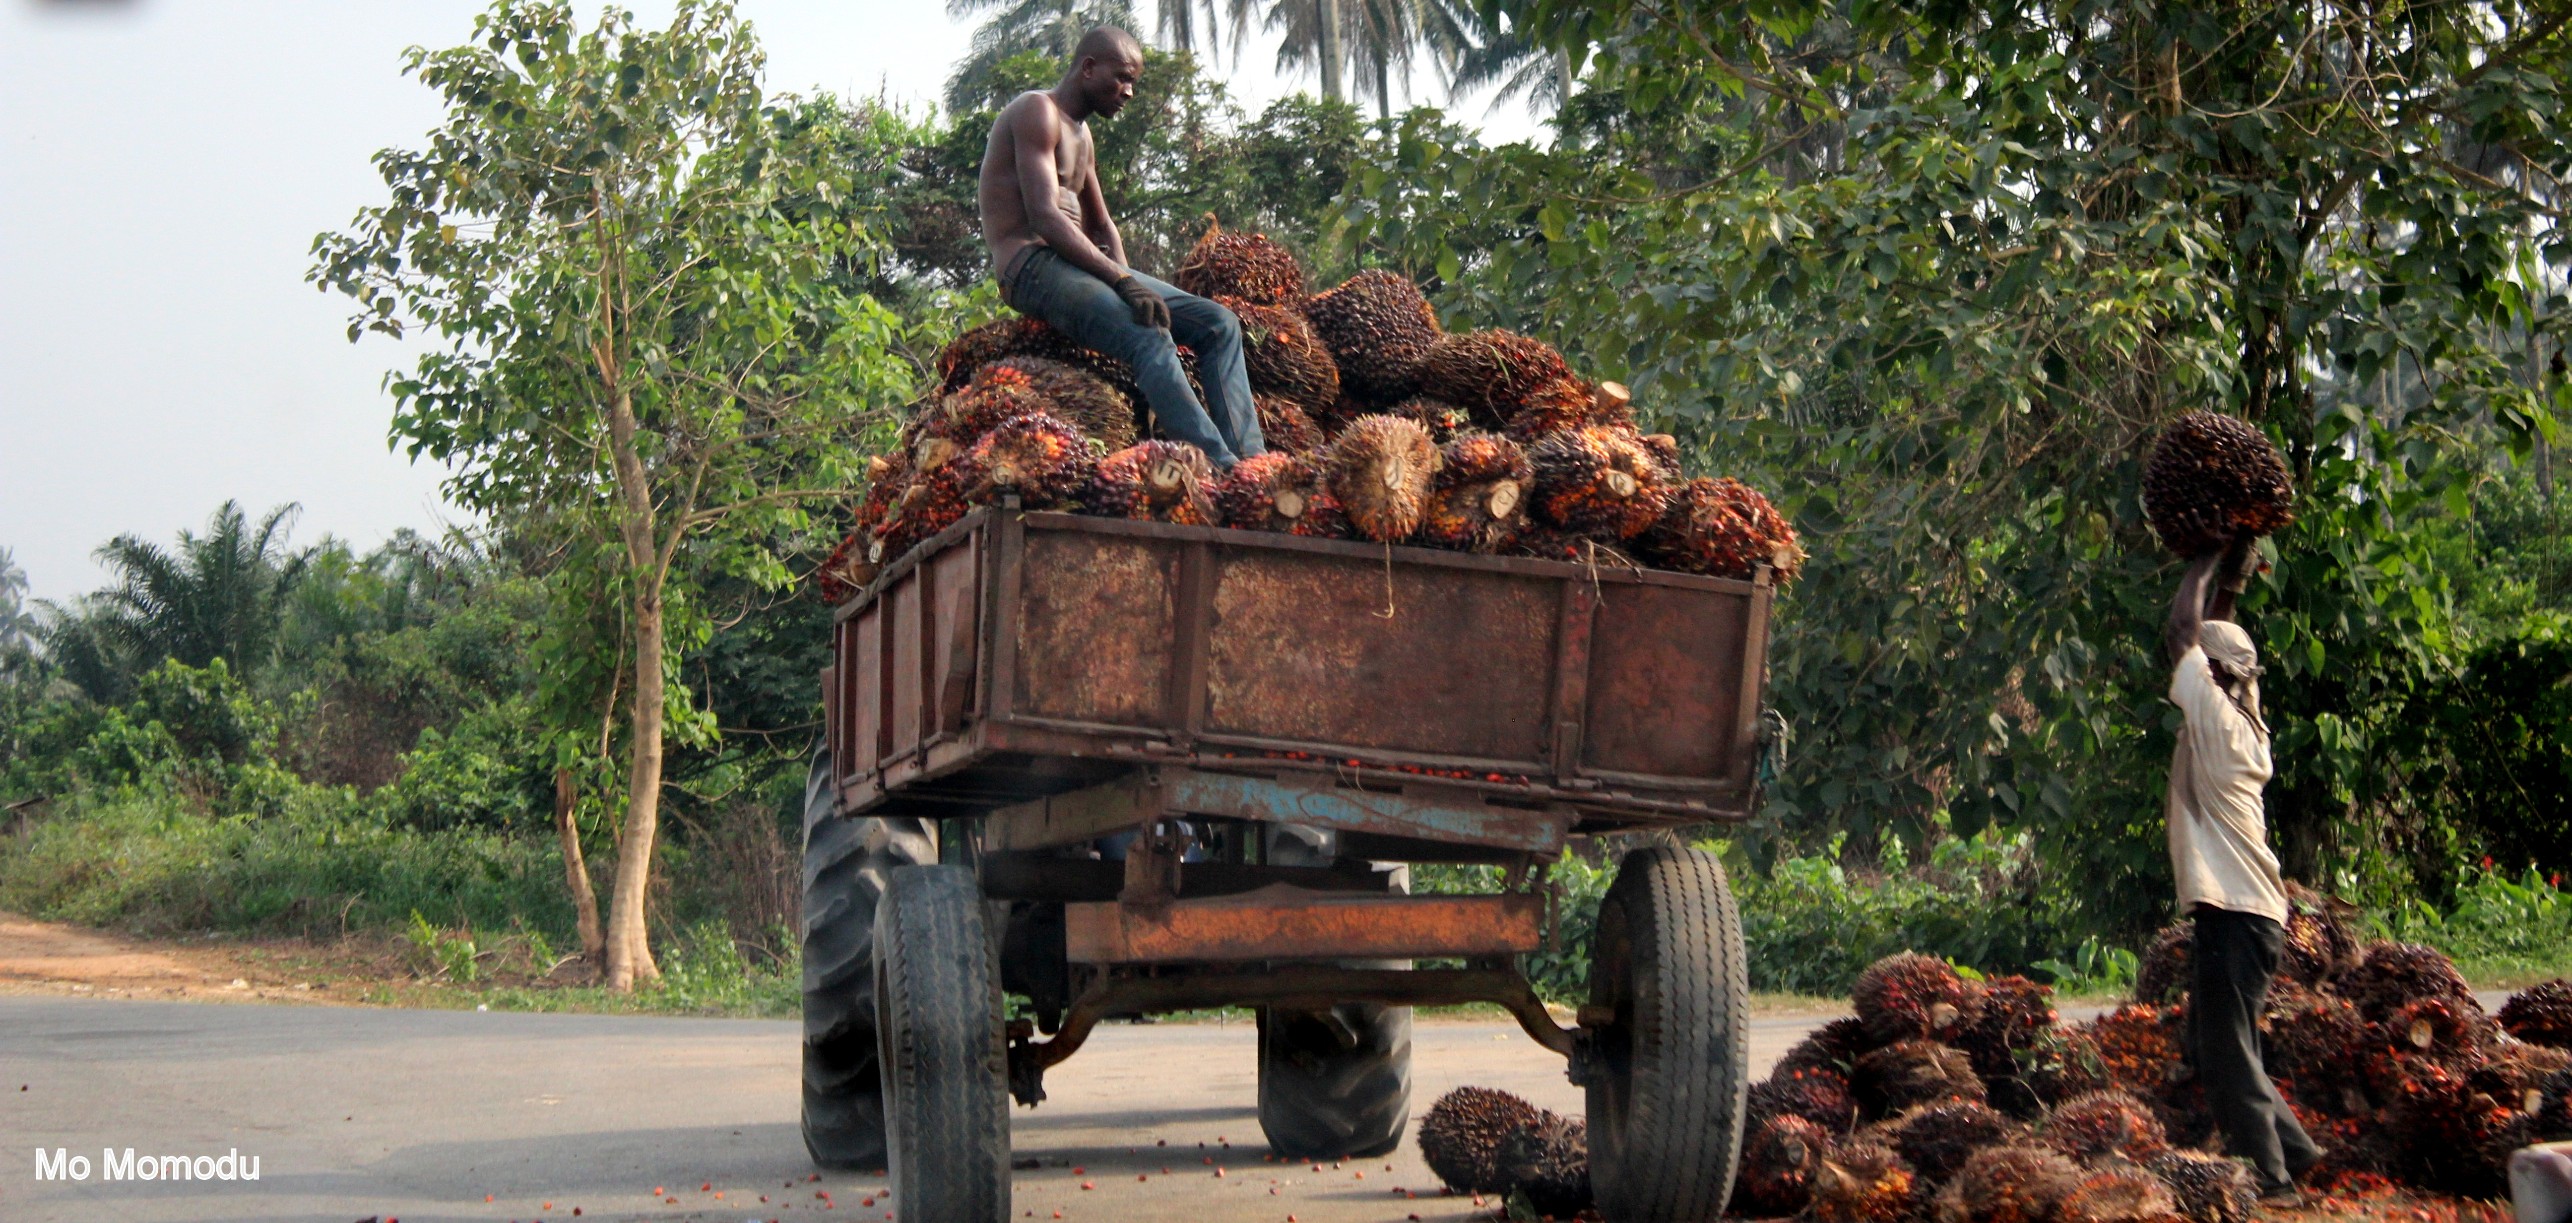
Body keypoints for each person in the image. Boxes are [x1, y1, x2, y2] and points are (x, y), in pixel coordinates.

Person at [976, 26, 1263, 468]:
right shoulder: (1037, 111)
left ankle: (1253, 465)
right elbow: (1045, 217)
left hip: (1075, 266)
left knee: (1219, 324)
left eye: (1133, 83)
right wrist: (1122, 284)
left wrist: (1132, 286)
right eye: (1122, 78)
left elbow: (1104, 227)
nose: (1128, 92)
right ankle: (1221, 468)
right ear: (1089, 68)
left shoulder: (1083, 136)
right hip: (1030, 266)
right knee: (1147, 336)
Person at [2163, 535, 2323, 1203]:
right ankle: (2293, 1146)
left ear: (2221, 676)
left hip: (2237, 914)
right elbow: (2209, 633)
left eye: (2208, 663)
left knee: (2226, 1051)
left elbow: (2180, 630)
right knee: (2214, 1042)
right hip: (2247, 915)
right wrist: (2231, 574)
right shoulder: (2236, 717)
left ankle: (2272, 1177)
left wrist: (2204, 553)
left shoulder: (2221, 727)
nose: (2195, 664)